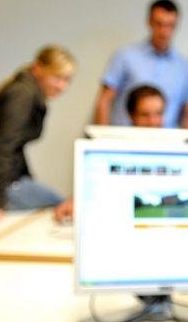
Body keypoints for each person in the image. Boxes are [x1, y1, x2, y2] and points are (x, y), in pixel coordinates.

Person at [0, 45, 75, 220]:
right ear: (38, 69)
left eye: (67, 80)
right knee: (64, 207)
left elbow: (14, 147)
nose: (62, 86)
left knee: (63, 205)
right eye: (57, 77)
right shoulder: (22, 95)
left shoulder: (24, 91)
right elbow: (1, 148)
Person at [53, 85, 166, 222]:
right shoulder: (116, 150)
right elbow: (96, 183)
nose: (153, 122)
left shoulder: (178, 151)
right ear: (131, 115)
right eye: (145, 115)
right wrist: (76, 200)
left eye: (158, 114)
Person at [93, 0, 188, 137]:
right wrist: (103, 141)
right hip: (124, 142)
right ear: (149, 22)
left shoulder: (187, 69)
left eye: (170, 25)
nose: (164, 32)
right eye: (159, 24)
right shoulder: (125, 57)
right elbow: (104, 100)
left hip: (166, 146)